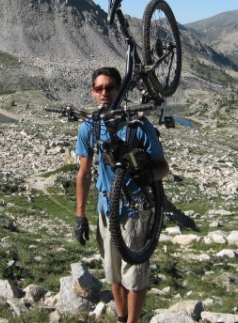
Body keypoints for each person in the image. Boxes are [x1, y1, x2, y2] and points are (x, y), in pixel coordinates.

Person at [74, 66, 170, 323]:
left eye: (110, 87)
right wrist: (80, 216)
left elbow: (164, 167)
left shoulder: (138, 126)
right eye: (99, 88)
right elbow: (83, 173)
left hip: (136, 212)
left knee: (134, 277)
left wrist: (150, 176)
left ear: (120, 91)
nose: (104, 93)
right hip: (106, 210)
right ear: (93, 92)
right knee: (114, 274)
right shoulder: (90, 127)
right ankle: (121, 317)